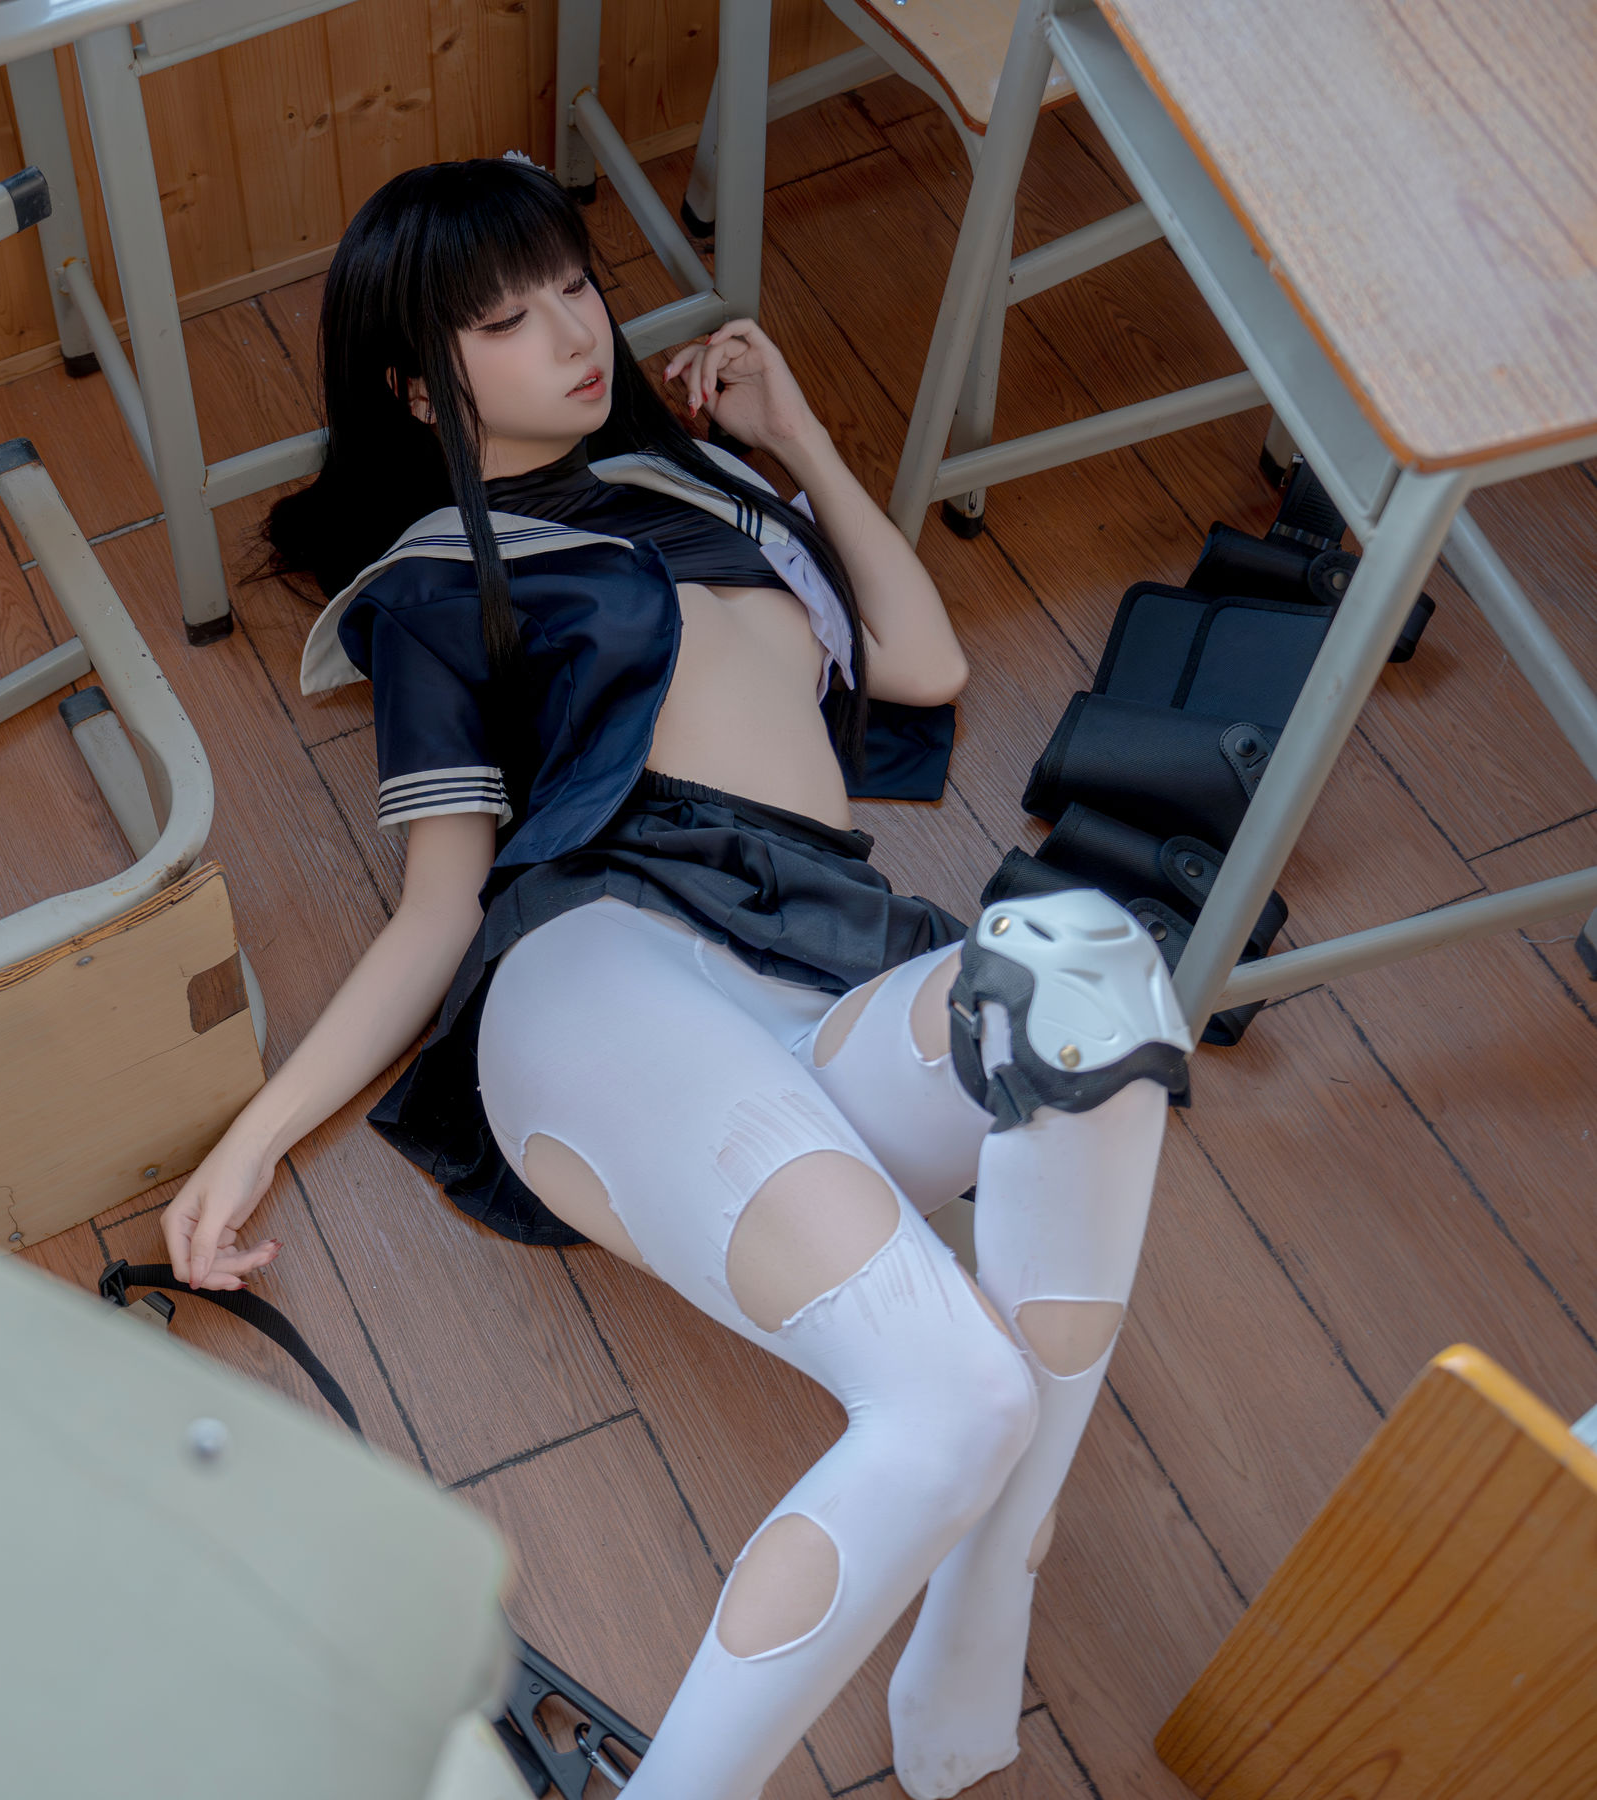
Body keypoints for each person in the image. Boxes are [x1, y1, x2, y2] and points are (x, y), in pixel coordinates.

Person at [163, 158, 1193, 1800]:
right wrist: (254, 1134)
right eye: (508, 323)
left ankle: (986, 1580)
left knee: (1096, 971)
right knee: (955, 1390)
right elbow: (436, 912)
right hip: (605, 964)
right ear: (421, 388)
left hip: (827, 963)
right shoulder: (440, 575)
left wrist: (800, 440)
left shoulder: (712, 484)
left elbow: (921, 664)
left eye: (576, 287)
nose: (575, 333)